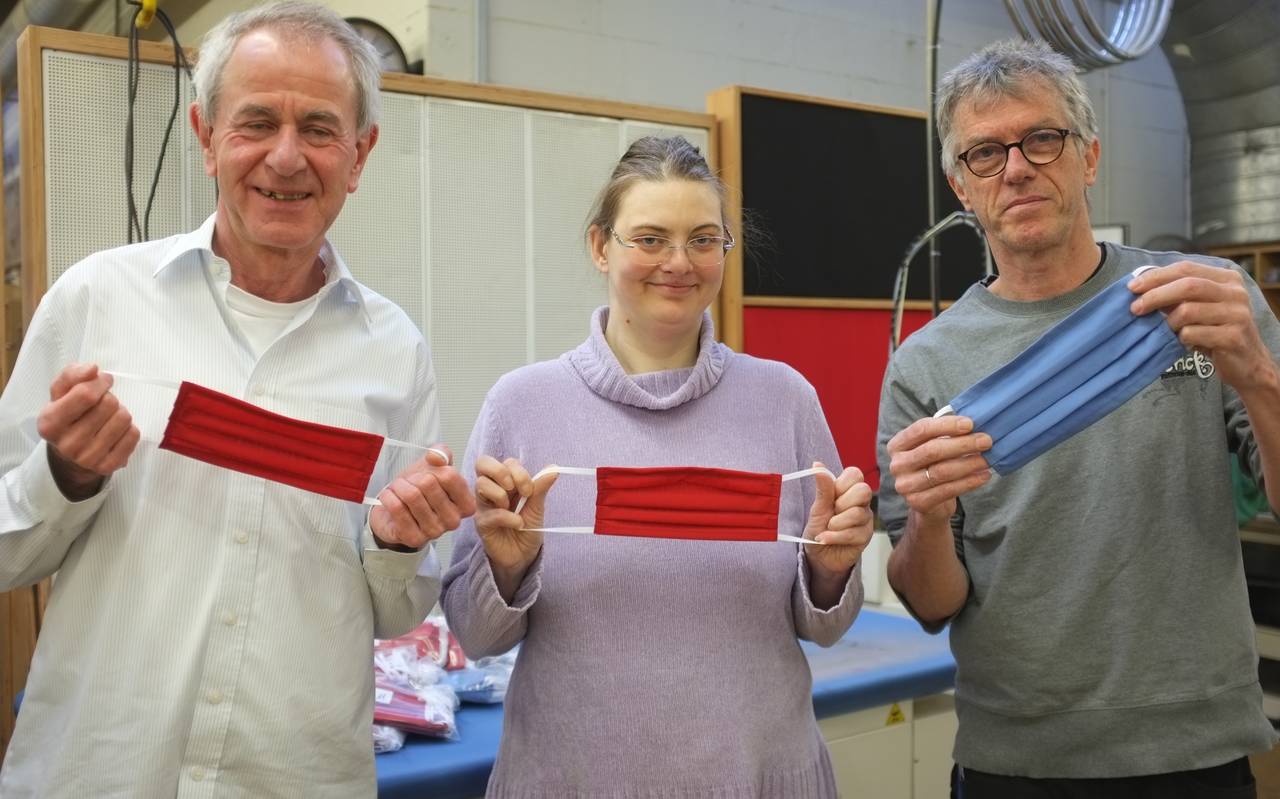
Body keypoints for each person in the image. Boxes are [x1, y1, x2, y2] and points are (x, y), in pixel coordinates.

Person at [0, 3, 474, 796]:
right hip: (98, 771)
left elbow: (399, 612)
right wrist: (68, 475)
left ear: (359, 155)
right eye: (256, 121)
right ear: (206, 135)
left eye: (320, 129)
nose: (286, 158)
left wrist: (394, 545)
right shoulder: (96, 301)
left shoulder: (397, 352)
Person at [876, 38, 1280, 797]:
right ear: (960, 186)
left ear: (1088, 157)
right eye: (984, 154)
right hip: (1016, 758)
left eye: (1042, 139)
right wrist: (929, 517)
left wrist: (1259, 374)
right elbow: (931, 604)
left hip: (1199, 748)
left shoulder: (1200, 298)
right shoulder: (924, 364)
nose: (1018, 167)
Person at [440, 135, 873, 798]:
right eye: (649, 238)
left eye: (704, 239)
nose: (678, 262)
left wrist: (833, 566)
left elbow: (827, 624)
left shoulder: (785, 400)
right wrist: (507, 563)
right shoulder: (522, 405)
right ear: (599, 246)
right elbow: (476, 634)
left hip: (757, 778)